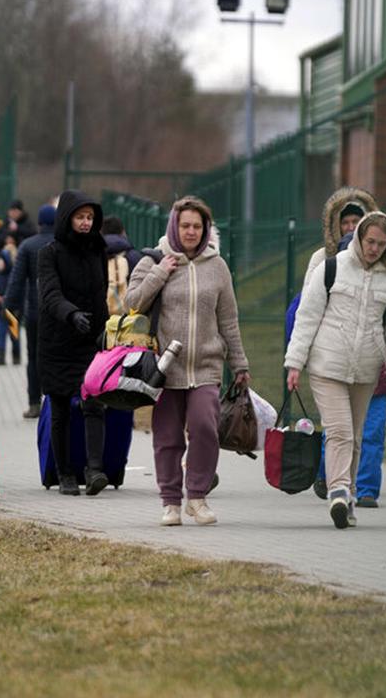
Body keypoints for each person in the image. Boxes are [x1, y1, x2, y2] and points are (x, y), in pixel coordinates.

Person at [284, 211, 386, 529]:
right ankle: (338, 491)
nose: (374, 249)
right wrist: (294, 363)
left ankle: (349, 497)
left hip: (366, 369)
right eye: (370, 241)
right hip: (327, 364)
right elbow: (307, 316)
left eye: (381, 244)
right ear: (359, 238)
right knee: (339, 430)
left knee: (354, 436)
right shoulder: (331, 268)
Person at [126, 196, 250, 526]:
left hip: (207, 366)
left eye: (197, 226)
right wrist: (159, 274)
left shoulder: (217, 267)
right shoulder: (154, 259)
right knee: (167, 436)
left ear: (206, 229)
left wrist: (240, 363)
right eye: (185, 225)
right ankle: (170, 502)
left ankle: (197, 496)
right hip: (164, 368)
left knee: (205, 428)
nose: (192, 231)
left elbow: (229, 319)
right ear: (174, 227)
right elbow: (132, 303)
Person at [37, 190, 110, 496]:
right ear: (68, 218)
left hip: (90, 340)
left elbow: (101, 293)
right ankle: (65, 473)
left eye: (90, 218)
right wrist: (72, 314)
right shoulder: (49, 253)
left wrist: (105, 329)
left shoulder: (97, 250)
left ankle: (94, 470)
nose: (85, 223)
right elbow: (50, 294)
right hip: (57, 341)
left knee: (94, 402)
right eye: (80, 217)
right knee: (61, 407)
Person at [4, 204, 57, 419]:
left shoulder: (27, 245)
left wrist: (9, 306)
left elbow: (16, 281)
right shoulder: (63, 245)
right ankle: (54, 402)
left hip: (34, 312)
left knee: (33, 356)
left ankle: (34, 403)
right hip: (59, 313)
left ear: (39, 223)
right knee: (56, 357)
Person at [0, 233, 19, 365]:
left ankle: (16, 355)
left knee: (14, 333)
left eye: (1, 260)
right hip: (0, 309)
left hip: (12, 309)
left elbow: (17, 290)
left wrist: (7, 297)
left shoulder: (14, 276)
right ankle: (1, 355)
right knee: (1, 332)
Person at [103, 214, 142, 316]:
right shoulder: (134, 256)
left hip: (102, 314)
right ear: (123, 232)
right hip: (126, 316)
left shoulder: (92, 254)